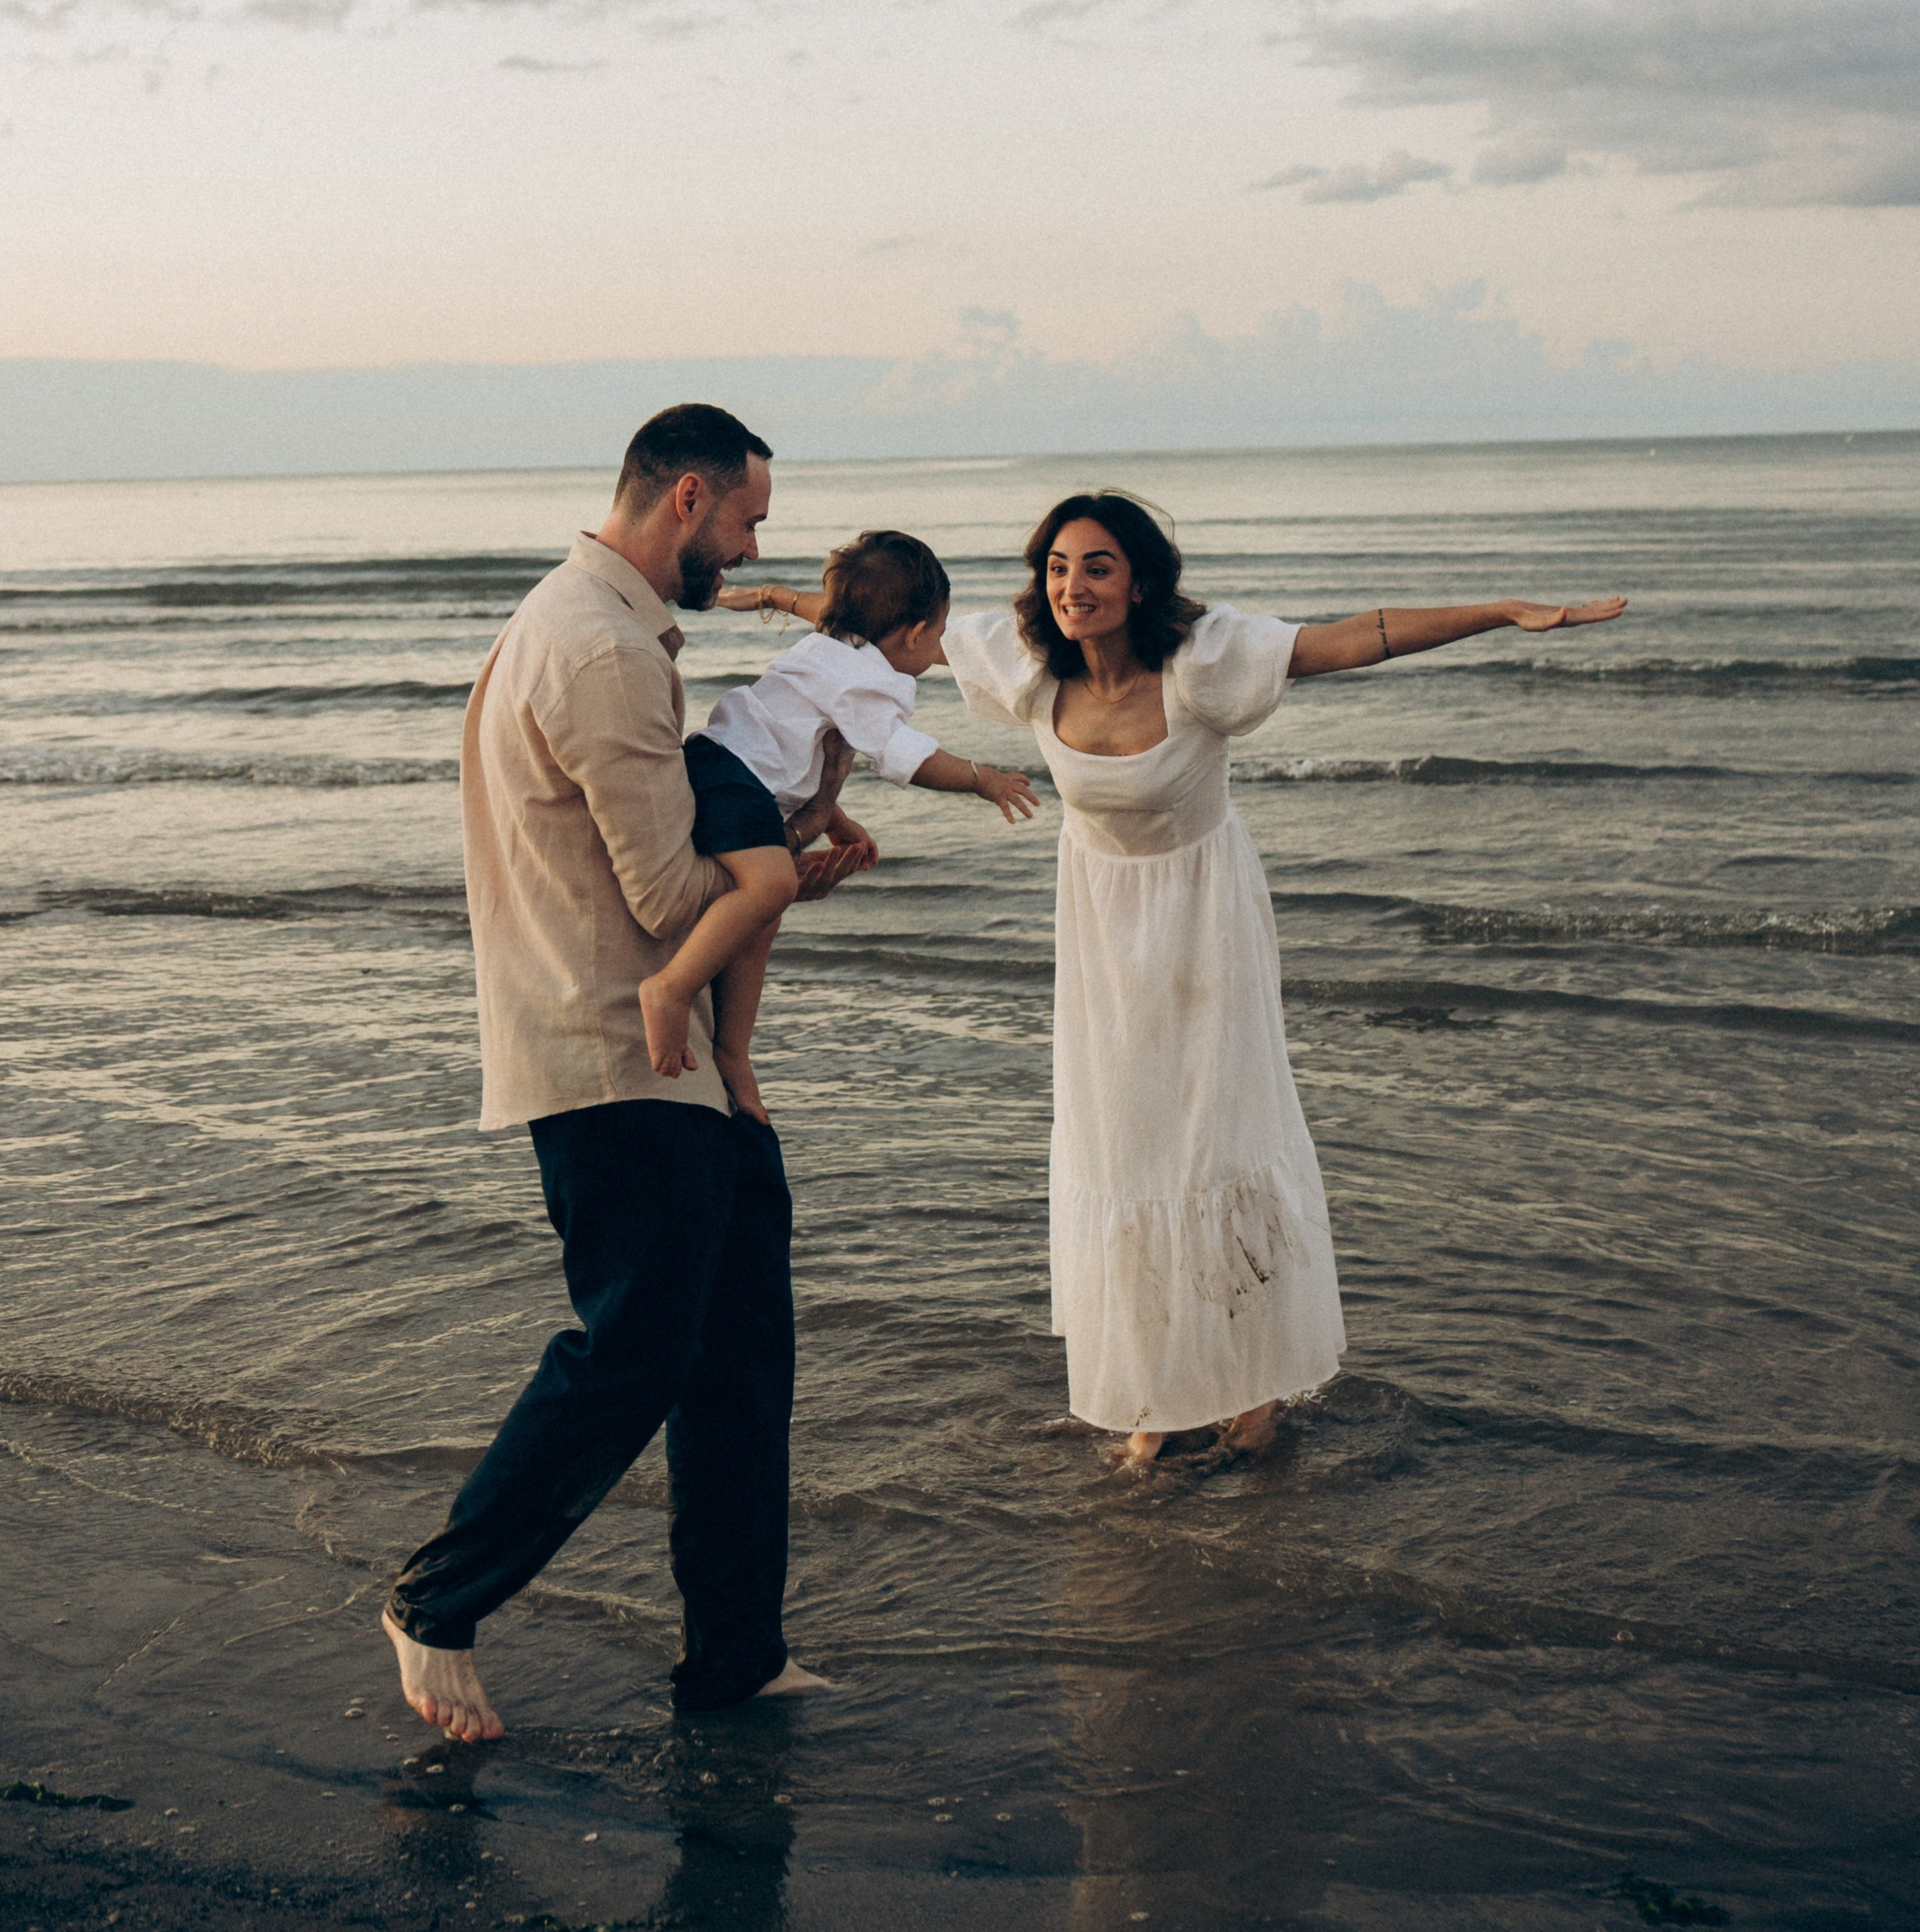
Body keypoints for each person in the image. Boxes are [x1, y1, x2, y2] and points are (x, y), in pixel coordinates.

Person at [940, 491, 1628, 1466]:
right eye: (1057, 567)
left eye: (1096, 566)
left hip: (1205, 931)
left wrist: (1502, 611)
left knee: (1217, 1147)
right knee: (1124, 1158)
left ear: (1138, 581)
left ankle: (1253, 1392)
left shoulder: (1201, 665)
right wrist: (769, 602)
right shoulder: (1027, 669)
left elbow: (1354, 640)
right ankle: (1160, 1394)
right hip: (1102, 949)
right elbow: (888, 626)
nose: (1071, 585)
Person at [380, 403, 871, 1745]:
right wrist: (769, 864)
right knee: (635, 1352)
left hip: (679, 1067)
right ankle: (439, 1598)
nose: (754, 546)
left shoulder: (595, 627)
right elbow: (664, 900)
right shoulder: (595, 645)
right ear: (689, 499)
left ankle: (737, 1659)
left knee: (737, 1362)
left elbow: (666, 874)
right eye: (751, 521)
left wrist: (783, 849)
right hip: (612, 1055)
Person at [639, 529, 1038, 1106]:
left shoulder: (827, 648)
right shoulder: (871, 681)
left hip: (725, 767)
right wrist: (982, 779)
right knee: (774, 885)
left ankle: (732, 1048)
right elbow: (905, 755)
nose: (941, 646)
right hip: (737, 782)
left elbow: (803, 747)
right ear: (916, 633)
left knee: (763, 912)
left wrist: (834, 821)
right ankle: (670, 990)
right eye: (942, 633)